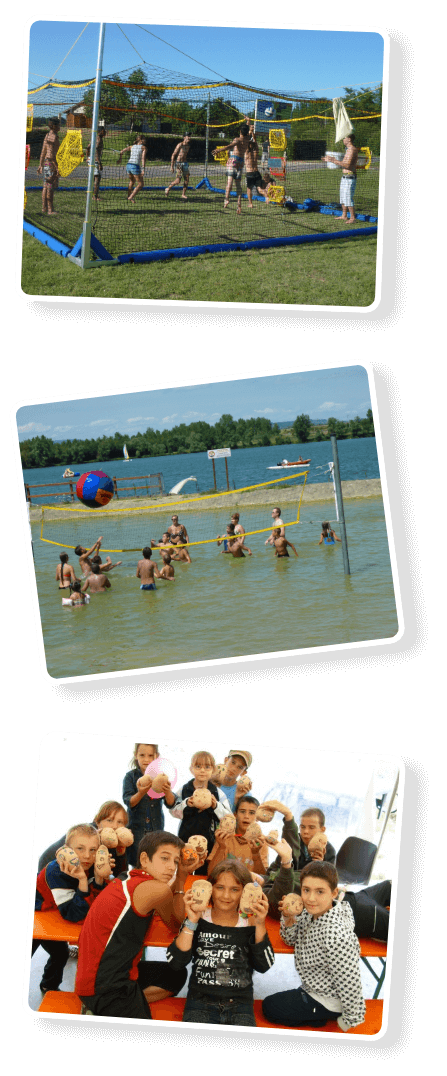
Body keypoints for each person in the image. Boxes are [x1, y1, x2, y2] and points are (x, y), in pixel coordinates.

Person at [75, 831, 193, 1019]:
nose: (172, 867)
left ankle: (124, 1004)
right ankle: (103, 1009)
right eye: (165, 858)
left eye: (176, 862)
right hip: (106, 988)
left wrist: (179, 876)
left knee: (176, 975)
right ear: (145, 859)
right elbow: (177, 925)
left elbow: (161, 900)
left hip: (95, 976)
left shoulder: (128, 877)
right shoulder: (156, 889)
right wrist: (181, 878)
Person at [166, 858, 274, 1026]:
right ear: (210, 889)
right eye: (220, 888)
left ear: (244, 892)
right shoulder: (198, 919)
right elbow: (176, 962)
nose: (225, 895)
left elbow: (264, 965)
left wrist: (260, 924)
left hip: (240, 1005)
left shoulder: (250, 924)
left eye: (234, 889)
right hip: (199, 1003)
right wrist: (191, 921)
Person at [263, 860, 366, 1030]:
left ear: (334, 893)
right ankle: (314, 1014)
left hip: (328, 1000)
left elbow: (350, 982)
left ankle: (321, 1017)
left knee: (270, 1007)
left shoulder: (336, 936)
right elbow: (289, 939)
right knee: (273, 1004)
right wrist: (289, 918)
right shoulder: (311, 912)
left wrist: (349, 1020)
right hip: (314, 985)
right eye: (306, 890)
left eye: (320, 891)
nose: (311, 898)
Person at [33, 823, 109, 993]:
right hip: (37, 913)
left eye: (93, 850)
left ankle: (49, 986)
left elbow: (95, 902)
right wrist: (82, 881)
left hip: (53, 913)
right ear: (66, 849)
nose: (87, 856)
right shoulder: (56, 871)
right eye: (80, 848)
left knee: (60, 953)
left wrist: (98, 878)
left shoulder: (90, 866)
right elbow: (73, 914)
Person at [168, 749, 233, 872]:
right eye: (198, 766)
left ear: (213, 770)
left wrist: (215, 806)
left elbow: (228, 817)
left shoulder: (217, 793)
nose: (202, 770)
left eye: (207, 767)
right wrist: (186, 804)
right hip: (185, 838)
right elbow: (173, 811)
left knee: (203, 870)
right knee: (183, 869)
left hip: (208, 841)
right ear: (191, 769)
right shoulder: (184, 789)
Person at [122, 743, 178, 867]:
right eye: (142, 755)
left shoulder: (160, 776)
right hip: (136, 830)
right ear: (136, 755)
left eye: (150, 755)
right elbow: (129, 801)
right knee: (137, 863)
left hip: (155, 829)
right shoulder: (130, 777)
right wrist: (141, 792)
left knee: (154, 861)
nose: (146, 759)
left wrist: (167, 791)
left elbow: (171, 803)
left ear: (156, 756)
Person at [207, 794, 269, 877]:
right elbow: (211, 873)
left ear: (257, 817)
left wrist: (256, 853)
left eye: (252, 813)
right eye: (242, 811)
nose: (246, 816)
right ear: (235, 815)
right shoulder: (224, 837)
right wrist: (221, 847)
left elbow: (262, 879)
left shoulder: (261, 842)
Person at [321, 134, 359, 223]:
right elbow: (343, 163)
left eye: (344, 138)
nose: (343, 140)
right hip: (345, 177)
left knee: (348, 198)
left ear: (349, 139)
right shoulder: (348, 150)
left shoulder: (352, 150)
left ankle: (353, 218)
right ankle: (344, 215)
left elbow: (347, 165)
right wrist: (333, 159)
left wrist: (332, 160)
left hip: (350, 177)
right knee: (342, 197)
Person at [217, 122, 251, 215]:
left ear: (240, 131)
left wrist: (219, 150)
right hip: (241, 162)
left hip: (233, 161)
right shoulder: (247, 139)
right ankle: (239, 204)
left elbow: (230, 146)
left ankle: (226, 199)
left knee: (229, 182)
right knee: (238, 185)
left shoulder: (237, 139)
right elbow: (247, 130)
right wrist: (248, 121)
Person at [37, 118, 60, 215]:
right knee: (50, 186)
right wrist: (56, 167)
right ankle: (50, 210)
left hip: (46, 163)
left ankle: (44, 208)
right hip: (51, 164)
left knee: (46, 186)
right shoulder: (54, 137)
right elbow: (51, 155)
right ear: (54, 126)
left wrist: (40, 165)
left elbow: (43, 151)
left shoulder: (47, 135)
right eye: (59, 125)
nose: (60, 127)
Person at [117, 134, 147, 203]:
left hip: (128, 165)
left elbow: (121, 151)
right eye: (144, 139)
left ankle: (129, 196)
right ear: (141, 140)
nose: (145, 140)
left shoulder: (132, 146)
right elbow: (143, 158)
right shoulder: (143, 147)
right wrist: (143, 169)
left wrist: (120, 159)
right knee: (141, 184)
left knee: (132, 181)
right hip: (135, 166)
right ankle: (130, 197)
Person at [244, 127, 269, 207]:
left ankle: (250, 203)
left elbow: (245, 141)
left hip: (250, 173)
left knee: (249, 189)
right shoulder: (256, 151)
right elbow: (255, 141)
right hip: (257, 173)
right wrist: (252, 133)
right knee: (259, 189)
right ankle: (267, 197)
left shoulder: (246, 153)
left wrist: (250, 131)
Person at [165, 133, 191, 200]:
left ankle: (183, 194)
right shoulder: (180, 144)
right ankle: (168, 188)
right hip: (178, 163)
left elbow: (184, 156)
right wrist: (172, 166)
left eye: (190, 137)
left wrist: (186, 164)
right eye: (188, 136)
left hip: (184, 163)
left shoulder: (188, 146)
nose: (189, 138)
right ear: (184, 137)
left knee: (187, 179)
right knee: (178, 181)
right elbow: (173, 155)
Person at [86, 126, 105, 200]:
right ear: (100, 131)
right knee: (97, 179)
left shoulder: (94, 138)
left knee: (94, 179)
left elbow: (88, 147)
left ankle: (93, 195)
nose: (105, 132)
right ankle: (95, 196)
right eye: (104, 131)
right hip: (95, 160)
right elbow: (96, 150)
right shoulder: (99, 139)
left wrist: (88, 157)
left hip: (91, 159)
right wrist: (99, 163)